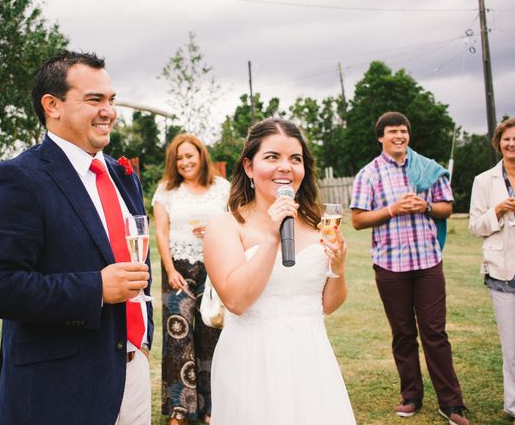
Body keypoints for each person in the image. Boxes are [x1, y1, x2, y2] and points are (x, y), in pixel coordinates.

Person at [0, 50, 153, 425]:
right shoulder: (18, 179)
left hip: (133, 370)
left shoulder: (124, 175)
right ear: (52, 105)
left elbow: (139, 260)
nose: (109, 111)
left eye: (111, 99)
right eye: (94, 100)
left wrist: (144, 339)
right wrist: (96, 289)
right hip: (61, 385)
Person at [203, 118, 355, 424]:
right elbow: (236, 300)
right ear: (249, 167)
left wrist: (338, 265)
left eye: (295, 159)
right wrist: (273, 236)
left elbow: (326, 304)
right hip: (250, 360)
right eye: (272, 157)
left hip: (311, 355)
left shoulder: (318, 226)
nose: (285, 167)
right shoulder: (225, 226)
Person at [350, 111, 469, 425]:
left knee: (435, 333)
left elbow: (446, 207)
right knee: (403, 334)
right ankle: (411, 396)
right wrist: (392, 209)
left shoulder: (427, 168)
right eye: (392, 132)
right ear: (381, 137)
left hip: (428, 262)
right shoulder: (369, 174)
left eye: (403, 131)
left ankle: (452, 404)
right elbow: (358, 220)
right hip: (390, 266)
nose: (399, 136)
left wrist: (426, 206)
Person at [152, 134, 230, 425]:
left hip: (215, 265)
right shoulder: (166, 191)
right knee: (178, 337)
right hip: (178, 270)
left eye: (190, 156)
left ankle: (212, 406)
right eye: (179, 158)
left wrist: (214, 229)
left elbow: (236, 221)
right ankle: (180, 409)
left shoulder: (221, 188)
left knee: (211, 335)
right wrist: (170, 270)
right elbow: (161, 232)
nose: (185, 162)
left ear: (201, 156)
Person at [469, 117, 515, 425]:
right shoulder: (485, 181)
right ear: (498, 143)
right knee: (512, 346)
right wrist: (497, 210)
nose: (511, 144)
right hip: (503, 271)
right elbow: (474, 226)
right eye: (507, 139)